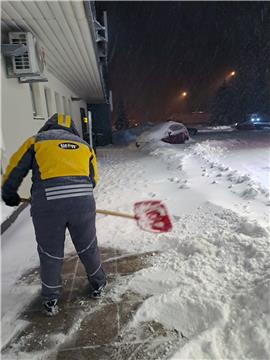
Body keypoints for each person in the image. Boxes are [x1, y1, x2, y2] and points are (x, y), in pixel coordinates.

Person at [2, 113, 107, 315]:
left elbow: (15, 169)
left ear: (48, 126)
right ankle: (98, 283)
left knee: (50, 252)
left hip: (48, 206)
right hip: (82, 204)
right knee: (87, 246)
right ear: (72, 129)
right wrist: (75, 193)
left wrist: (9, 194)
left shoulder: (36, 141)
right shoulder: (85, 146)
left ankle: (50, 298)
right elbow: (93, 179)